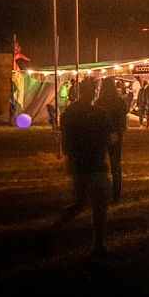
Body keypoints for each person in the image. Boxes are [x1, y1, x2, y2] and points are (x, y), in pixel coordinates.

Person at [41, 78, 112, 257]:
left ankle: (53, 230)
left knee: (80, 203)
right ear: (93, 92)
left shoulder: (71, 112)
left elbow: (65, 139)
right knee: (99, 205)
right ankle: (99, 245)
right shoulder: (98, 113)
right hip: (94, 163)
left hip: (78, 162)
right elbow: (108, 137)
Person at [95, 78, 129, 203]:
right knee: (115, 165)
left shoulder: (100, 102)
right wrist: (118, 130)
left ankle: (102, 192)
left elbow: (97, 119)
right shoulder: (119, 102)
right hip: (116, 134)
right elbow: (123, 119)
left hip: (102, 135)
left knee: (101, 164)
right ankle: (116, 194)